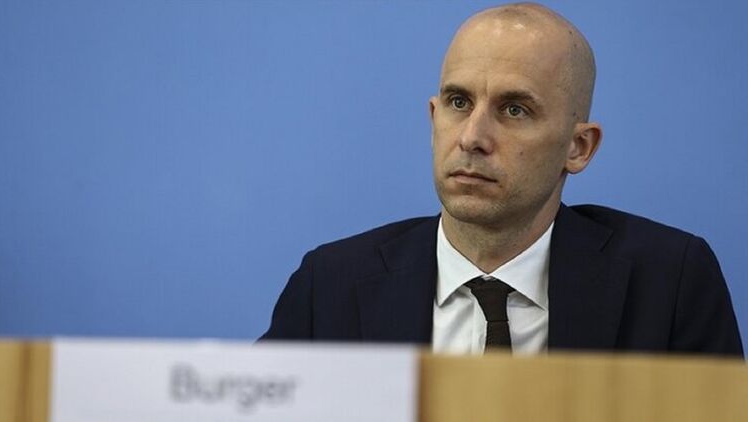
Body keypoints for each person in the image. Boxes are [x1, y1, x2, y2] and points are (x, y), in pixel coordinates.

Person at [261, 3, 743, 357]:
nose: (472, 137)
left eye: (514, 110)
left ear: (578, 147)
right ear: (433, 117)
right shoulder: (330, 286)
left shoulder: (669, 283)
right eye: (458, 103)